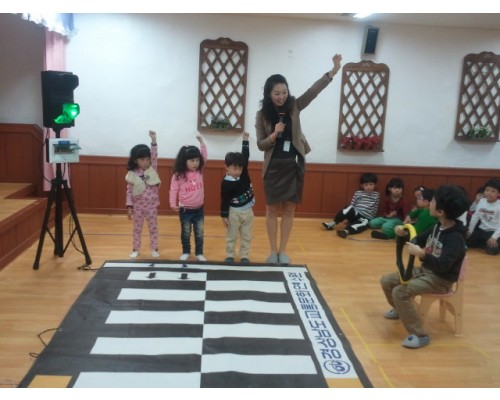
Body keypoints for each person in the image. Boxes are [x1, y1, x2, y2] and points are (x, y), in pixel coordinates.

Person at [256, 53, 342, 264]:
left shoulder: (294, 105)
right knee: (271, 209)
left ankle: (283, 251)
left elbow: (313, 91)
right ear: (269, 94)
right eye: (277, 93)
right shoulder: (262, 114)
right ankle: (273, 251)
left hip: (293, 164)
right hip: (273, 166)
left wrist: (332, 72)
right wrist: (273, 135)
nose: (281, 97)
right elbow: (260, 144)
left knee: (290, 209)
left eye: (284, 92)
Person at [380, 184, 469, 349]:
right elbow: (417, 240)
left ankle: (420, 335)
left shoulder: (455, 238)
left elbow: (443, 266)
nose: (429, 204)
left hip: (440, 280)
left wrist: (422, 254)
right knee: (387, 280)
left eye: (432, 201)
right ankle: (401, 310)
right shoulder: (437, 226)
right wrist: (403, 233)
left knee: (400, 291)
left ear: (440, 211)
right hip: (426, 271)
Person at [169, 134, 208, 262]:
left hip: (199, 209)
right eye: (192, 161)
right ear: (184, 161)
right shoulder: (178, 175)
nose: (195, 163)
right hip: (185, 210)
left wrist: (202, 142)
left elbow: (204, 155)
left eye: (197, 160)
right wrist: (172, 203)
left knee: (199, 233)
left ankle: (199, 253)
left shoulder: (200, 171)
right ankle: (186, 251)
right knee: (186, 233)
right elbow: (173, 190)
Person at [220, 132, 255, 263]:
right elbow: (224, 199)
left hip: (248, 211)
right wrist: (224, 215)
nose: (237, 171)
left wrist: (245, 141)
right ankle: (230, 254)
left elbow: (245, 157)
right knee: (232, 235)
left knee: (246, 235)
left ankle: (244, 255)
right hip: (233, 212)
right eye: (234, 169)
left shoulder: (243, 174)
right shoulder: (226, 183)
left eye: (240, 168)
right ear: (227, 167)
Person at [125, 130, 161, 258]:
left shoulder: (152, 169)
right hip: (138, 207)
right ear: (135, 160)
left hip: (151, 206)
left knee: (153, 228)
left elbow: (154, 155)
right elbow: (129, 191)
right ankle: (136, 249)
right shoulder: (132, 174)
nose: (146, 162)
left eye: (148, 159)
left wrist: (154, 141)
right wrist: (130, 206)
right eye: (142, 159)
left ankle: (154, 248)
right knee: (137, 229)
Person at [322, 172, 380, 238]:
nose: (369, 187)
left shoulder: (376, 195)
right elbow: (352, 205)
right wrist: (346, 219)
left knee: (361, 225)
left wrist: (370, 219)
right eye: (366, 185)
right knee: (348, 208)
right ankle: (332, 224)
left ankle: (346, 231)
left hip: (365, 217)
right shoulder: (358, 193)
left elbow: (375, 208)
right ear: (362, 185)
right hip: (356, 213)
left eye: (371, 184)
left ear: (374, 185)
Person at [466, 178, 500, 256]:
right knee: (464, 240)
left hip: (493, 232)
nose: (489, 193)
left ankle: (488, 243)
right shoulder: (482, 201)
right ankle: (484, 243)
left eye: (493, 191)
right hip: (481, 230)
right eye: (487, 190)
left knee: (492, 251)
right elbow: (475, 216)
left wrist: (494, 237)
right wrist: (470, 231)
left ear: (498, 194)